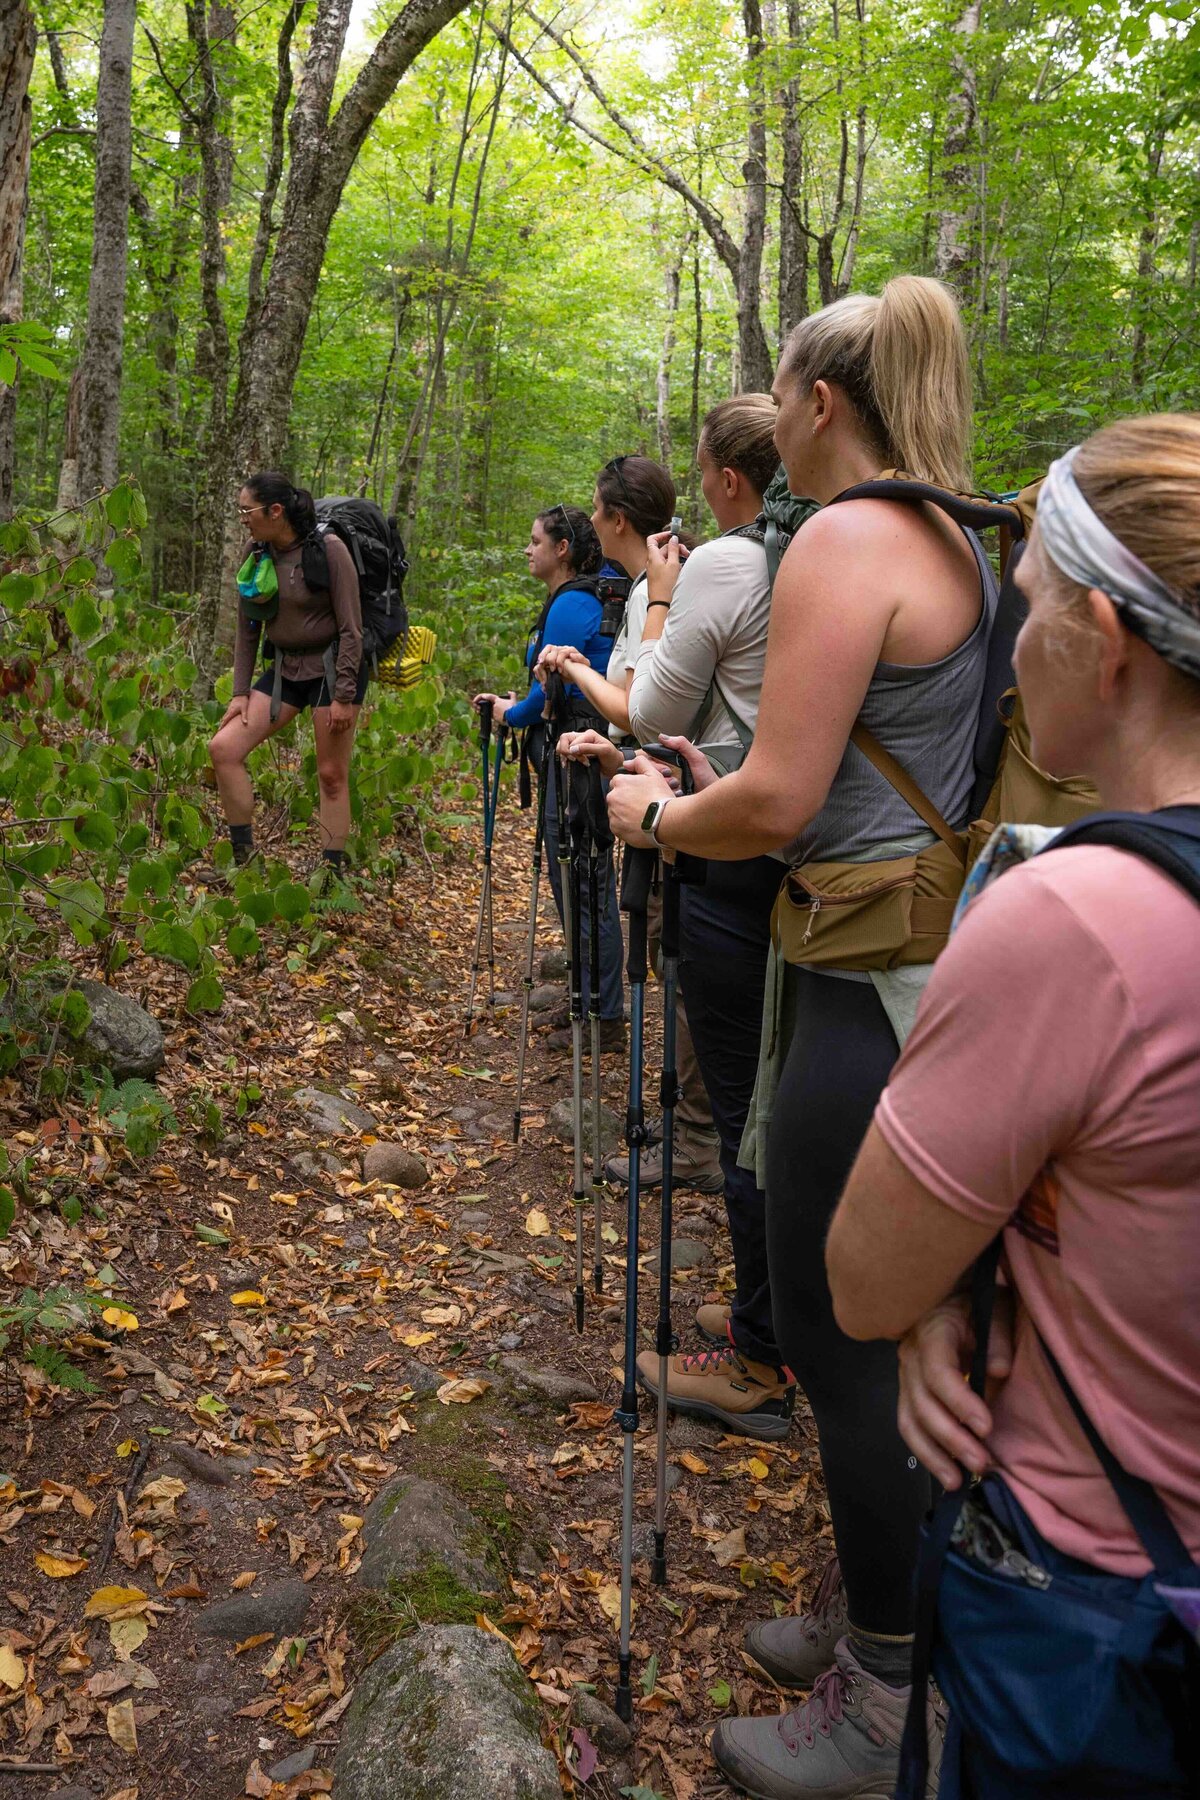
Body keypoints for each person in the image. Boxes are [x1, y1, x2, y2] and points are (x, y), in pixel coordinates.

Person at [608, 275, 985, 1796]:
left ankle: (889, 1699)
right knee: (887, 1331)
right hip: (923, 955)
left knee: (842, 1329)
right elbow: (837, 760)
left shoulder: (841, 535)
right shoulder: (965, 533)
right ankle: (892, 1630)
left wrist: (658, 812)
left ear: (819, 406)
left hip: (855, 968)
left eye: (782, 397)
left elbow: (772, 802)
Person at [825, 414, 1200, 1799]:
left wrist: (935, 1295)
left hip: (1103, 1605)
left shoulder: (1081, 923)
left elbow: (865, 1277)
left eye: (1030, 599)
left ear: (1105, 637)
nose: (1012, 638)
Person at [560, 396, 815, 1439]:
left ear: (726, 479)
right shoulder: (820, 553)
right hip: (805, 857)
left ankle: (757, 1360)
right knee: (767, 1091)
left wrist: (663, 597)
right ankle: (774, 1315)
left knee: (746, 1100)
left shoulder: (729, 565)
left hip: (728, 839)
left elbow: (655, 708)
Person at [537, 455, 725, 1190]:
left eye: (596, 506)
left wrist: (572, 672)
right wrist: (608, 748)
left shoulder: (661, 588)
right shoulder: (646, 585)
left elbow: (640, 705)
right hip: (651, 787)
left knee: (675, 958)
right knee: (654, 942)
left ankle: (694, 1138)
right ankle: (682, 1124)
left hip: (683, 799)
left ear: (618, 518)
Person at [472, 504, 624, 1049]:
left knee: (583, 882)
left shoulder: (571, 602)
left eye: (536, 541)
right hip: (578, 750)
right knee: (580, 880)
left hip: (575, 759)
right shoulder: (582, 596)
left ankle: (602, 1016)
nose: (528, 549)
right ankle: (588, 1000)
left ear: (562, 548)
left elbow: (552, 692)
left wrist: (509, 714)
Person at [209, 471, 362, 876]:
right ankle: (245, 863)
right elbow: (247, 629)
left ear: (275, 511)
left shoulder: (329, 550)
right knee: (223, 749)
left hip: (332, 671)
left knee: (330, 775)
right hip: (285, 670)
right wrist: (240, 692)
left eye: (248, 510)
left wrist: (344, 696)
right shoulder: (256, 552)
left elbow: (352, 629)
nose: (243, 518)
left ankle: (331, 878)